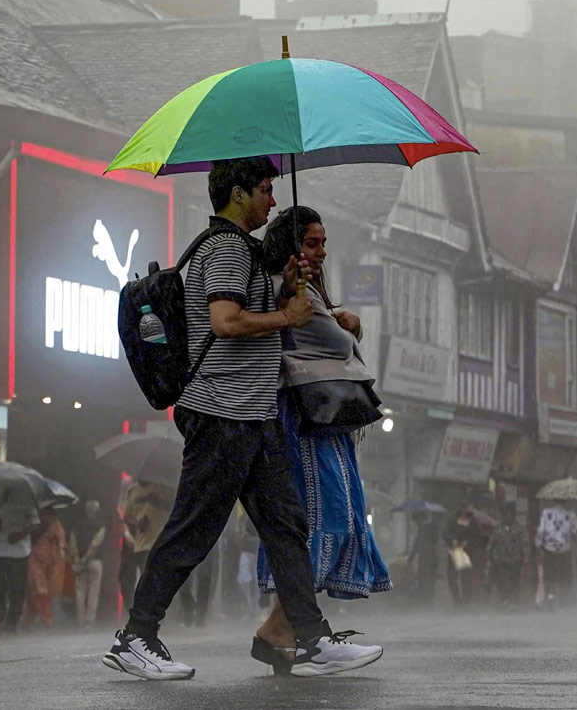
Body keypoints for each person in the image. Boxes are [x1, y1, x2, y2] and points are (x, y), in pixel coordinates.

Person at [103, 157, 381, 681]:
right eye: (264, 190)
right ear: (236, 193)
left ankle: (312, 640)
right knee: (194, 528)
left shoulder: (245, 250)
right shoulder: (228, 248)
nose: (272, 201)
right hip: (221, 412)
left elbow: (252, 309)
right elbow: (225, 321)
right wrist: (287, 316)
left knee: (286, 525)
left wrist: (297, 291)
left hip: (252, 414)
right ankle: (136, 636)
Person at [253, 205, 391, 647]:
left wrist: (342, 320)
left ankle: (287, 630)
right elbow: (336, 342)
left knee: (334, 516)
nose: (321, 251)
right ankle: (283, 628)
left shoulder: (306, 293)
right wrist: (350, 324)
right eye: (312, 242)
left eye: (324, 243)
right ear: (290, 246)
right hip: (306, 422)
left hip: (322, 422)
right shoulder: (290, 294)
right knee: (322, 516)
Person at [0, 487, 40, 632]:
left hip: (20, 553)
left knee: (17, 590)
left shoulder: (26, 504)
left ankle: (11, 623)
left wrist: (21, 534)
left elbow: (35, 524)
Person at [121, 477, 174, 607]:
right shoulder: (131, 490)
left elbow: (173, 507)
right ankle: (132, 611)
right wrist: (138, 523)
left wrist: (158, 502)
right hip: (138, 544)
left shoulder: (162, 488)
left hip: (157, 543)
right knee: (125, 578)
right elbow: (127, 517)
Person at [25, 508, 66, 628]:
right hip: (38, 559)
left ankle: (42, 619)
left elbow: (60, 544)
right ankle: (42, 619)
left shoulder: (53, 524)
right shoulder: (47, 523)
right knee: (38, 590)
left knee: (40, 591)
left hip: (46, 561)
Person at [68, 500, 106, 630]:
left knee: (80, 592)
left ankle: (79, 621)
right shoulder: (101, 526)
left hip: (79, 563)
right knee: (93, 592)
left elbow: (72, 545)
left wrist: (78, 561)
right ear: (97, 511)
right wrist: (86, 560)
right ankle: (88, 622)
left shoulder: (77, 526)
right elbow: (95, 545)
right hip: (95, 562)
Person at [535, 499, 577, 608]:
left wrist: (539, 545)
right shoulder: (571, 515)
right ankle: (564, 602)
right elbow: (576, 532)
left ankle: (550, 598)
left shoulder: (546, 513)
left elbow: (541, 531)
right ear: (566, 501)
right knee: (565, 577)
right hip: (565, 550)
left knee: (550, 577)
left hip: (549, 549)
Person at [487, 504, 527, 607]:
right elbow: (492, 543)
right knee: (502, 582)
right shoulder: (498, 528)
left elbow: (525, 544)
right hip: (501, 559)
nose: (508, 517)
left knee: (515, 581)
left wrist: (525, 558)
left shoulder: (519, 528)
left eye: (510, 515)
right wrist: (491, 556)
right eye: (506, 515)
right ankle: (504, 600)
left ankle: (514, 602)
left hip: (516, 559)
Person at [443, 506, 480, 608]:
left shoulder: (472, 522)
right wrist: (453, 540)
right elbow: (446, 533)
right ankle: (457, 600)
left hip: (466, 553)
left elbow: (476, 537)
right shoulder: (453, 520)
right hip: (454, 552)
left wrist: (467, 542)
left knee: (466, 579)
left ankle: (466, 601)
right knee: (451, 577)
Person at [408, 511, 440, 604]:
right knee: (429, 581)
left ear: (420, 520)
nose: (416, 524)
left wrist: (411, 557)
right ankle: (429, 601)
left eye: (416, 522)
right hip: (431, 557)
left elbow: (417, 544)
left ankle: (426, 601)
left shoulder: (424, 530)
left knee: (425, 580)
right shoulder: (432, 528)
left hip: (427, 558)